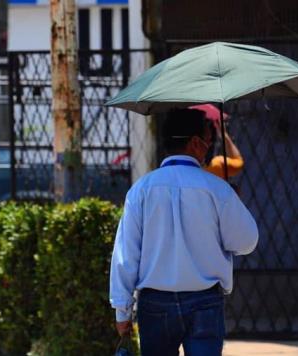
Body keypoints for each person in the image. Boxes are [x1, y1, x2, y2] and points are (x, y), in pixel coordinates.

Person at [109, 108, 258, 356]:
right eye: (209, 141)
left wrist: (122, 310)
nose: (210, 146)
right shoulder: (217, 189)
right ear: (196, 144)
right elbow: (247, 242)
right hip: (205, 302)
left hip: (155, 304)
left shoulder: (141, 190)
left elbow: (126, 254)